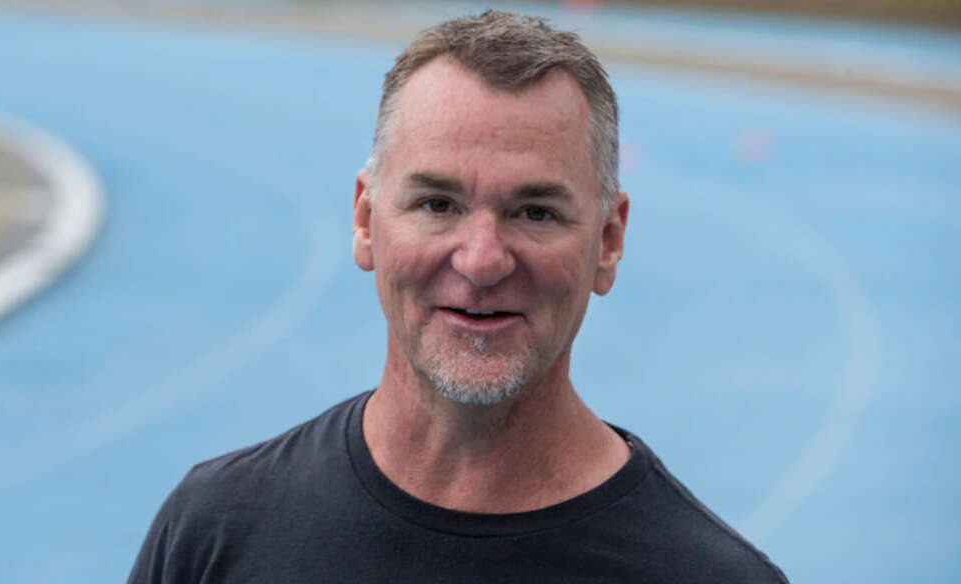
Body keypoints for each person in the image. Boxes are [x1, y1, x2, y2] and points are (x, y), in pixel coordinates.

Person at [128, 11, 788, 583]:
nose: (481, 261)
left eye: (535, 212)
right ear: (365, 220)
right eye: (437, 204)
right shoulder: (215, 530)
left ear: (608, 241)